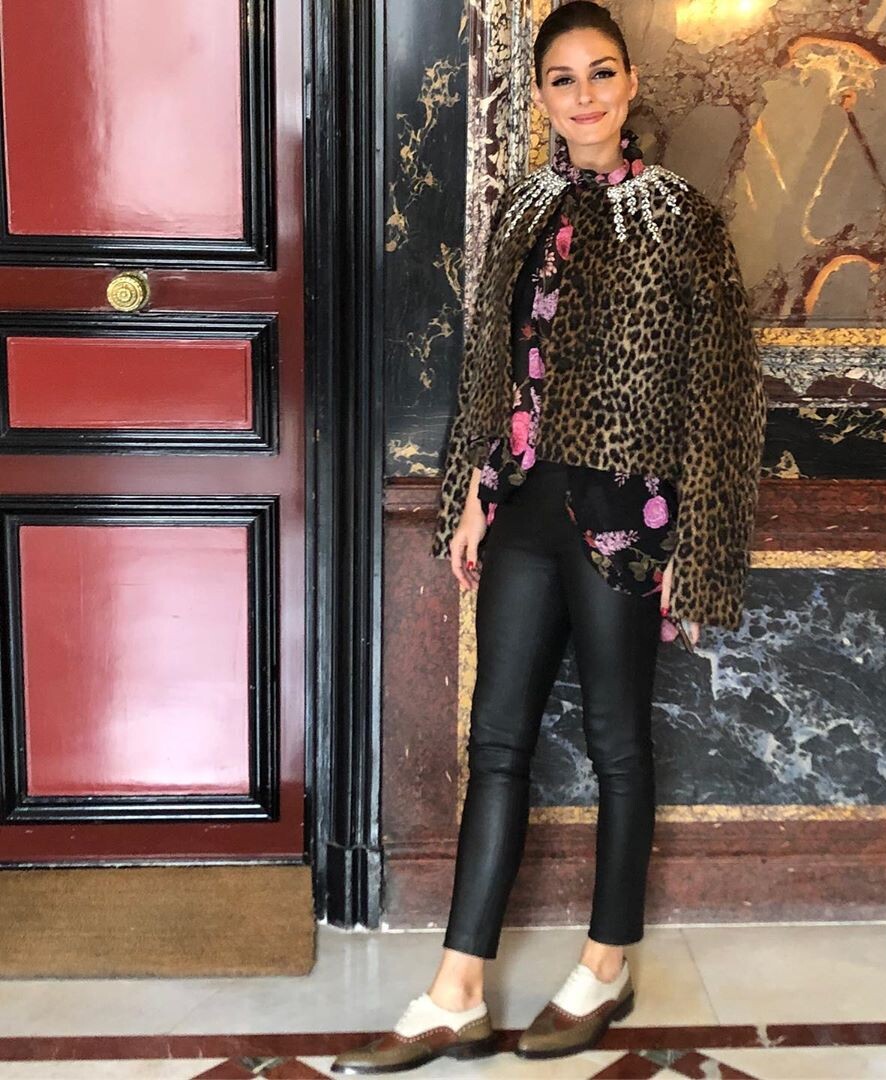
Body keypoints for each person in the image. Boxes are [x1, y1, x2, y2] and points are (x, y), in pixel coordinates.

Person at [331, 2, 767, 1074]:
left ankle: (606, 964)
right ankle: (456, 993)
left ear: (630, 85)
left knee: (619, 744)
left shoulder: (684, 216)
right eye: (562, 78)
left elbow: (723, 393)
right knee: (497, 745)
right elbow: (491, 364)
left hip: (629, 517)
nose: (583, 95)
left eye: (601, 73)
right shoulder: (524, 205)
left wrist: (699, 545)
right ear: (538, 96)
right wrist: (470, 495)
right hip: (525, 509)